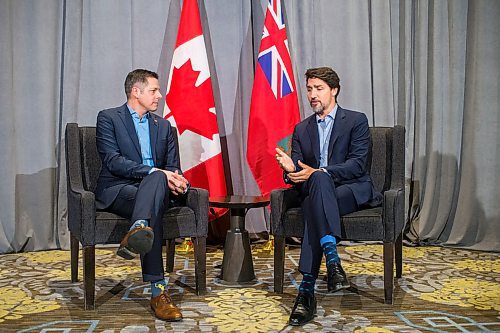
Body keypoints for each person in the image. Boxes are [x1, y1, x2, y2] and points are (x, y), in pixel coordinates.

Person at [275, 67, 382, 326]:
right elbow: (299, 171)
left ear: (334, 90)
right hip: (316, 191)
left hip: (350, 189)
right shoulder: (302, 129)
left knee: (318, 186)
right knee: (316, 192)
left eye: (318, 88)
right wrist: (290, 172)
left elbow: (358, 165)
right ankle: (332, 260)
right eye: (309, 89)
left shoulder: (356, 120)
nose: (313, 94)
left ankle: (306, 291)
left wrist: (319, 172)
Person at [95, 69, 190, 322]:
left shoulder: (164, 126)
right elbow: (113, 161)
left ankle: (139, 229)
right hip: (119, 189)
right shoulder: (108, 118)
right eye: (154, 90)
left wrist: (180, 182)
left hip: (156, 190)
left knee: (157, 185)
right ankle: (158, 292)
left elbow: (173, 167)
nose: (160, 95)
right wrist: (154, 171)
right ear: (136, 92)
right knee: (155, 184)